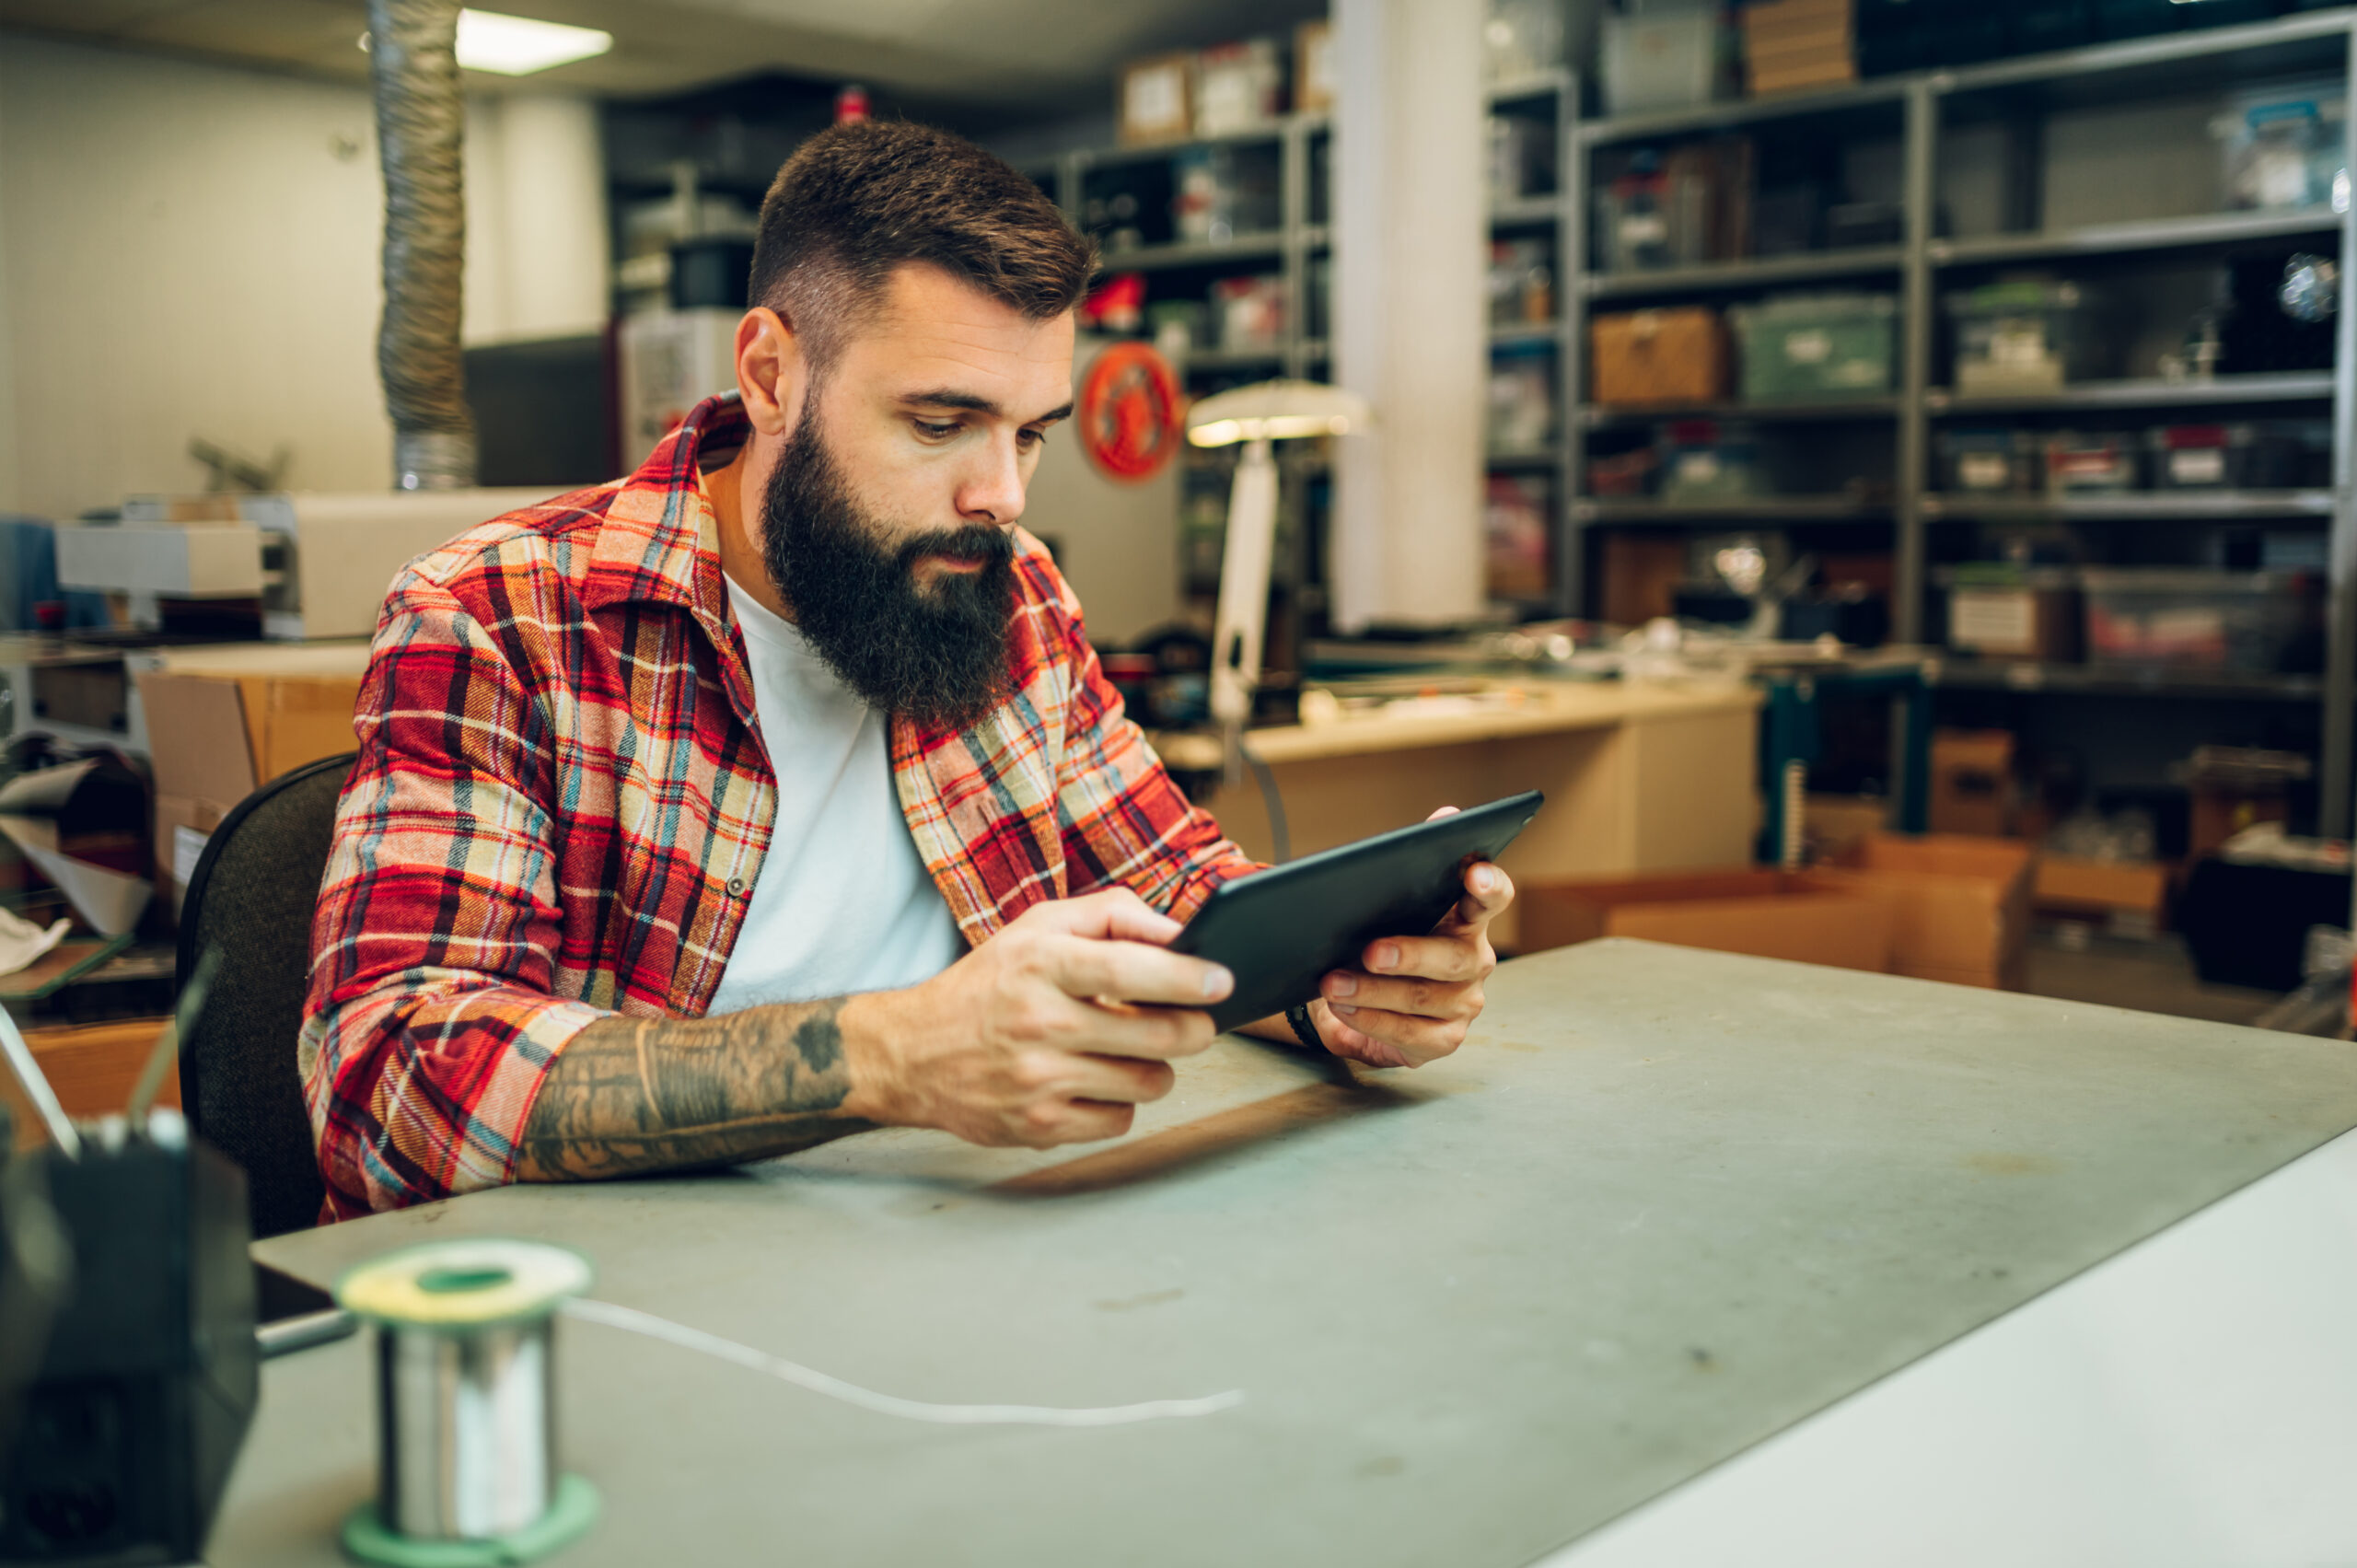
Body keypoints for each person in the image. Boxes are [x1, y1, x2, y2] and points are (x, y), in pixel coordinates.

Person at [301, 121, 1515, 1219]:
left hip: (975, 1240)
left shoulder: (1013, 592)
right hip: (637, 1290)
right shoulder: (499, 616)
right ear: (772, 375)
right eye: (941, 424)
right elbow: (387, 1080)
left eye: (1029, 431)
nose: (1004, 495)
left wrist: (1343, 984)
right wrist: (893, 1055)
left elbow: (1178, 891)